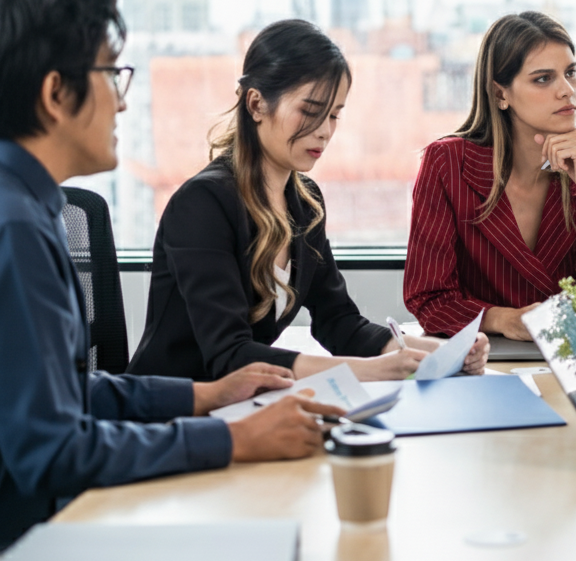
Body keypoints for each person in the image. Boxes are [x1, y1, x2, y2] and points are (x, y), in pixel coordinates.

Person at [0, 0, 345, 549]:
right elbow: (50, 448)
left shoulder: (30, 209)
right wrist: (233, 440)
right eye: (112, 76)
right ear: (57, 93)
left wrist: (202, 396)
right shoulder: (16, 230)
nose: (124, 104)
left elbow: (59, 396)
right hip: (30, 550)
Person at [128, 20, 489, 381]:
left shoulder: (305, 203)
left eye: (334, 115)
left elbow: (339, 322)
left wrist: (437, 352)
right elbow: (231, 355)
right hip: (174, 411)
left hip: (246, 406)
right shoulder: (202, 205)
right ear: (256, 103)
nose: (325, 130)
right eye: (310, 111)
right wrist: (371, 371)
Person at [403, 12, 576, 341]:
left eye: (570, 73)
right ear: (501, 94)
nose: (567, 91)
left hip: (574, 361)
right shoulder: (447, 163)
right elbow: (428, 298)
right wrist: (501, 320)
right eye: (543, 79)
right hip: (482, 361)